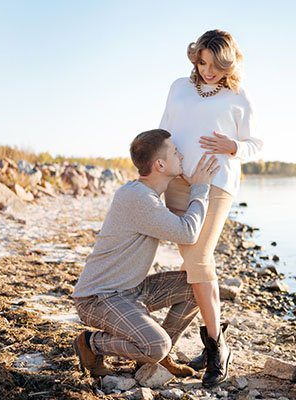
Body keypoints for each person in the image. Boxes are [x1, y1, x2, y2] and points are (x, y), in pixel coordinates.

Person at [159, 29, 263, 387]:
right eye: (203, 62)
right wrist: (156, 178)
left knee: (199, 257)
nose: (208, 71)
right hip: (178, 182)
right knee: (197, 263)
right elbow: (164, 131)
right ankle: (215, 341)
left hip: (217, 183)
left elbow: (256, 144)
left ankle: (216, 347)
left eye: (217, 66)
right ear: (195, 56)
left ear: (228, 65)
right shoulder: (178, 87)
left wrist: (233, 145)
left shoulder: (238, 96)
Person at [72, 129, 219, 378]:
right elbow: (187, 233)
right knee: (155, 345)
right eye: (175, 151)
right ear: (160, 164)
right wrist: (200, 189)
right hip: (99, 298)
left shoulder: (147, 196)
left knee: (196, 286)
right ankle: (90, 343)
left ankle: (156, 359)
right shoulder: (138, 198)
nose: (181, 154)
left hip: (132, 290)